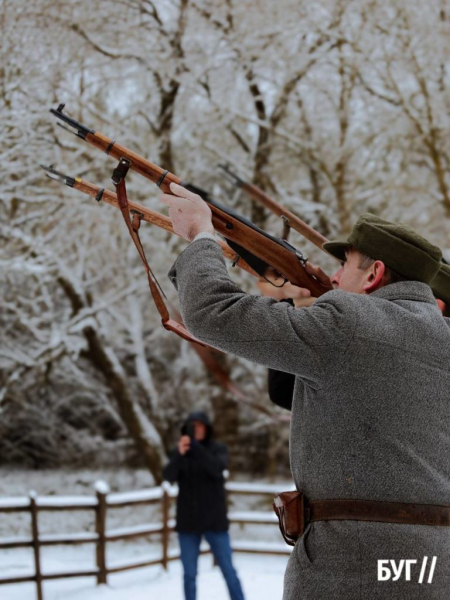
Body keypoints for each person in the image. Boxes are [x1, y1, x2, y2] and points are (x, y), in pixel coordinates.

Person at [161, 182, 450, 599]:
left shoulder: (349, 322)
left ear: (375, 274)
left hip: (353, 567)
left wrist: (201, 236)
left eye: (346, 265)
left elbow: (212, 312)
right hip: (435, 567)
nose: (334, 277)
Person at [163, 411, 245, 600]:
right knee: (189, 575)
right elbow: (168, 476)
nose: (197, 429)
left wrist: (196, 448)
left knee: (228, 570)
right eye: (193, 426)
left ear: (207, 428)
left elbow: (216, 469)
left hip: (215, 522)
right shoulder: (181, 452)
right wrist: (179, 455)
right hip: (187, 524)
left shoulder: (218, 449)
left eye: (200, 425)